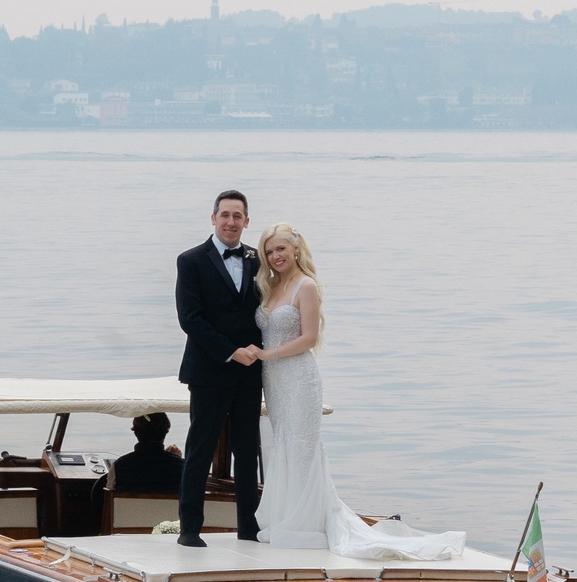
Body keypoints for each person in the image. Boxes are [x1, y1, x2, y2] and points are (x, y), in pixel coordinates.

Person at [240, 222, 467, 561]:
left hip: (299, 378)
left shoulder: (306, 285)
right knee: (283, 445)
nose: (275, 257)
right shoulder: (269, 287)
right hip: (274, 381)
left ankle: (306, 524)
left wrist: (266, 354)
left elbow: (308, 339)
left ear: (296, 249)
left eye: (281, 249)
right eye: (269, 252)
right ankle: (285, 518)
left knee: (303, 449)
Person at [172, 189, 263, 547]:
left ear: (246, 221)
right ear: (213, 218)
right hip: (209, 372)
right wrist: (230, 352)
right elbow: (190, 319)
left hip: (249, 374)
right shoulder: (190, 260)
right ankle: (189, 529)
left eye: (237, 216)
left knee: (247, 451)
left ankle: (248, 528)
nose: (230, 222)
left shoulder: (259, 259)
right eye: (224, 215)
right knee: (200, 450)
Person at [109, 411, 183, 495]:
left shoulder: (118, 466)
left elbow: (109, 496)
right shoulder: (182, 468)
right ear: (165, 432)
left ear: (136, 433)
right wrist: (177, 459)